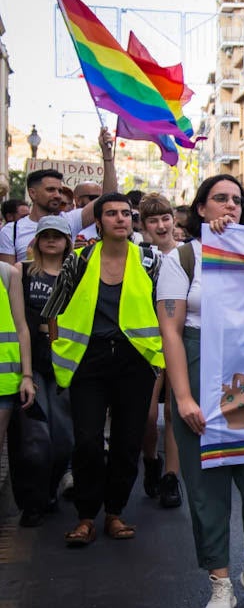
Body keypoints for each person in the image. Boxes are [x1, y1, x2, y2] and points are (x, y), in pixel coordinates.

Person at [157, 174, 244, 608]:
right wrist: (183, 398)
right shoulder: (183, 258)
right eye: (220, 199)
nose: (229, 206)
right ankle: (219, 582)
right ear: (200, 208)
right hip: (196, 368)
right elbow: (170, 332)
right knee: (205, 483)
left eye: (236, 200)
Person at [44, 193, 162, 547]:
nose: (120, 219)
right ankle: (85, 517)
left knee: (128, 441)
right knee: (88, 442)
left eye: (126, 213)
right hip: (89, 361)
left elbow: (166, 309)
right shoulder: (78, 261)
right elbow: (53, 309)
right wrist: (58, 349)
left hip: (134, 363)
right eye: (111, 213)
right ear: (99, 222)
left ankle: (114, 512)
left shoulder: (149, 260)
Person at [1, 130, 117, 265]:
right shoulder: (11, 231)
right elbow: (7, 277)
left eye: (59, 190)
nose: (57, 195)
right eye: (50, 190)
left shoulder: (69, 221)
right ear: (32, 193)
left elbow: (108, 198)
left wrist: (107, 156)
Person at [5, 219, 54, 526]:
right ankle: (32, 501)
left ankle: (50, 489)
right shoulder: (20, 271)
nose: (52, 242)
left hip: (64, 364)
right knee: (33, 437)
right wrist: (25, 373)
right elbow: (22, 325)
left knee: (63, 438)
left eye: (57, 236)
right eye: (45, 236)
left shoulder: (76, 272)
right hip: (32, 363)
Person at [137, 194, 183, 507]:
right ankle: (151, 460)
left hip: (179, 338)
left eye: (165, 218)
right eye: (153, 220)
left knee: (175, 411)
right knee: (148, 413)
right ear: (144, 225)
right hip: (148, 339)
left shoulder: (187, 254)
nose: (161, 225)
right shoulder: (139, 256)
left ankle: (171, 477)